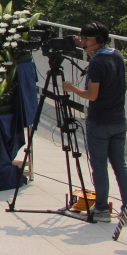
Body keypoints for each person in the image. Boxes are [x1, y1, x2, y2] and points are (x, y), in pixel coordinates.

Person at [63, 21, 127, 223]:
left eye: (86, 38)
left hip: (99, 121)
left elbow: (92, 95)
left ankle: (101, 209)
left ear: (97, 40)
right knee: (120, 165)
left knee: (99, 165)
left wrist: (72, 89)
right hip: (118, 119)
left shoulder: (97, 63)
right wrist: (81, 44)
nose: (82, 41)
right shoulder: (116, 55)